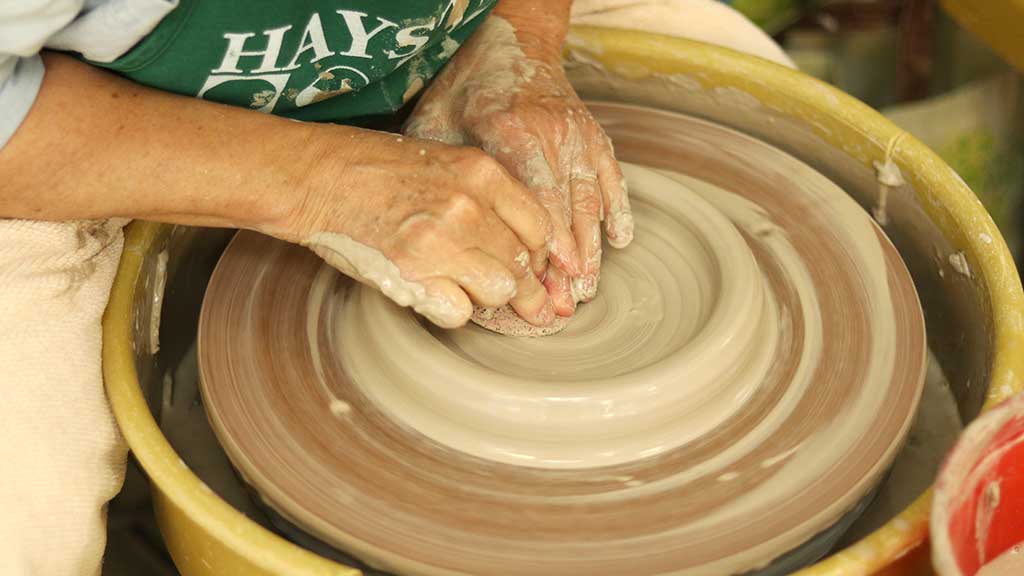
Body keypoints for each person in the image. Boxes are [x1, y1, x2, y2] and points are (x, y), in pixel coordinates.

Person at [0, 1, 791, 574]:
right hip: (68, 117)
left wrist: (521, 39)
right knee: (22, 525)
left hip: (447, 27)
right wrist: (325, 183)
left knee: (740, 65)